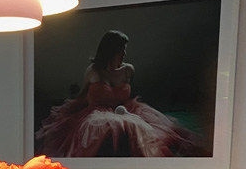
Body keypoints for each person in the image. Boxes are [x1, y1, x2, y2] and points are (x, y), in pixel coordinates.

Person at [36, 30, 200, 158]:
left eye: (125, 50)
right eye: (121, 50)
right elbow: (83, 96)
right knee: (110, 127)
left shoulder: (128, 70)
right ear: (110, 51)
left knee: (143, 128)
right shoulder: (93, 71)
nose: (124, 55)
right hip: (97, 111)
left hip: (127, 108)